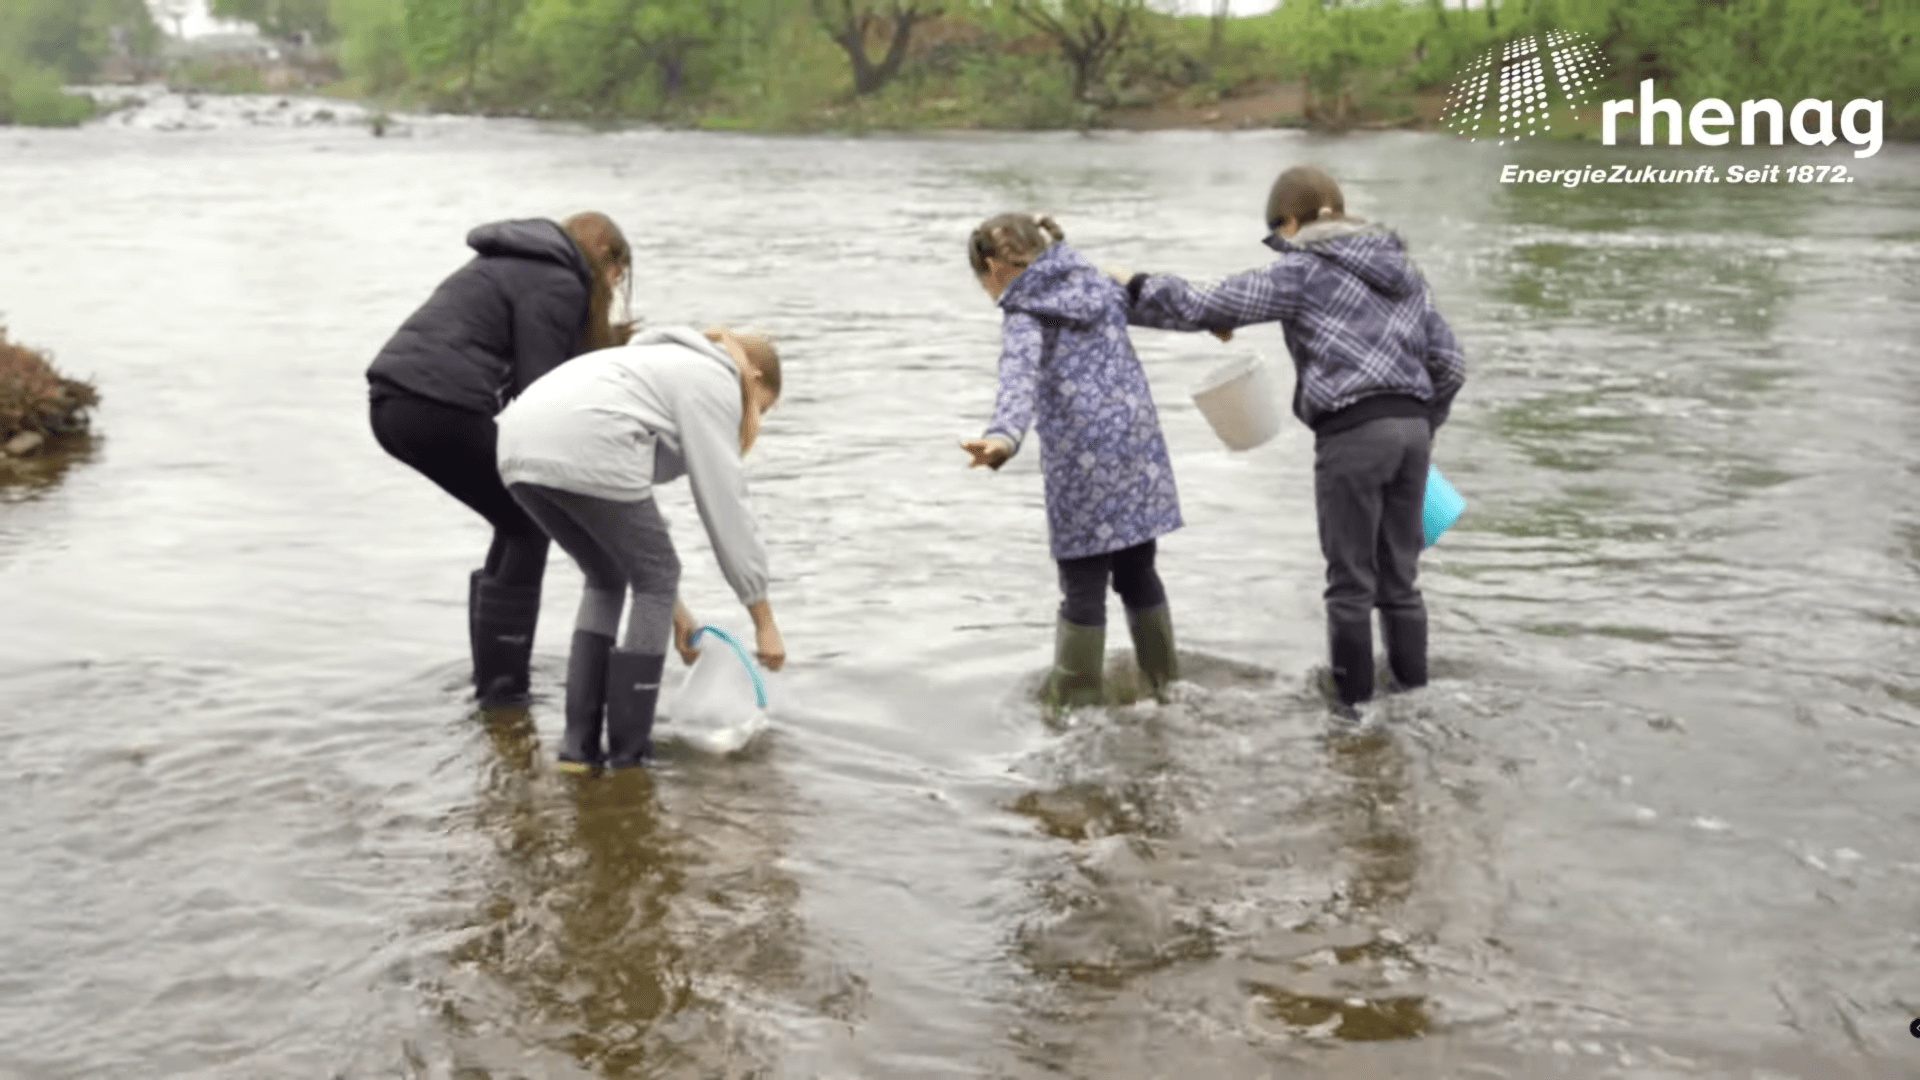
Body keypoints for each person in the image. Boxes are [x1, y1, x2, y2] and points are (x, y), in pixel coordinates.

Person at [1117, 165, 1467, 709]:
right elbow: (1449, 363)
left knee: (1349, 585)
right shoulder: (1404, 271)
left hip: (1352, 435)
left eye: (1274, 236)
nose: (1277, 248)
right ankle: (1411, 705)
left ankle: (1351, 719)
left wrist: (1132, 283)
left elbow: (1202, 305)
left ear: (1290, 223)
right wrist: (1423, 426)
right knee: (1399, 583)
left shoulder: (1305, 268)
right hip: (1412, 430)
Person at [367, 212, 634, 707]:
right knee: (530, 523)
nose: (616, 286)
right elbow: (542, 392)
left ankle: (492, 683)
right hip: (436, 405)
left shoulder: (508, 262)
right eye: (620, 273)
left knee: (513, 520)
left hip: (392, 405)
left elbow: (518, 382)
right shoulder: (558, 278)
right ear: (603, 254)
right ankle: (504, 691)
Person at [494, 325, 786, 772]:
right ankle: (630, 756)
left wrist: (678, 617)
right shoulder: (715, 379)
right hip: (583, 443)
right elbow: (726, 504)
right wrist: (762, 618)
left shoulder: (654, 368)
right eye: (761, 409)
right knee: (655, 574)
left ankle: (579, 749)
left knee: (606, 575)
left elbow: (632, 537)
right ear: (757, 377)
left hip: (516, 445)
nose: (753, 420)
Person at [960, 213, 1183, 710]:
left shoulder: (1026, 310)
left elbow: (1016, 378)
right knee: (1137, 572)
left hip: (1084, 465)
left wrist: (1002, 438)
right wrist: (1214, 319)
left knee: (1082, 589)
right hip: (1138, 453)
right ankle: (1168, 686)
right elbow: (1160, 307)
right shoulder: (1097, 284)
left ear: (994, 266)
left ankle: (1077, 712)